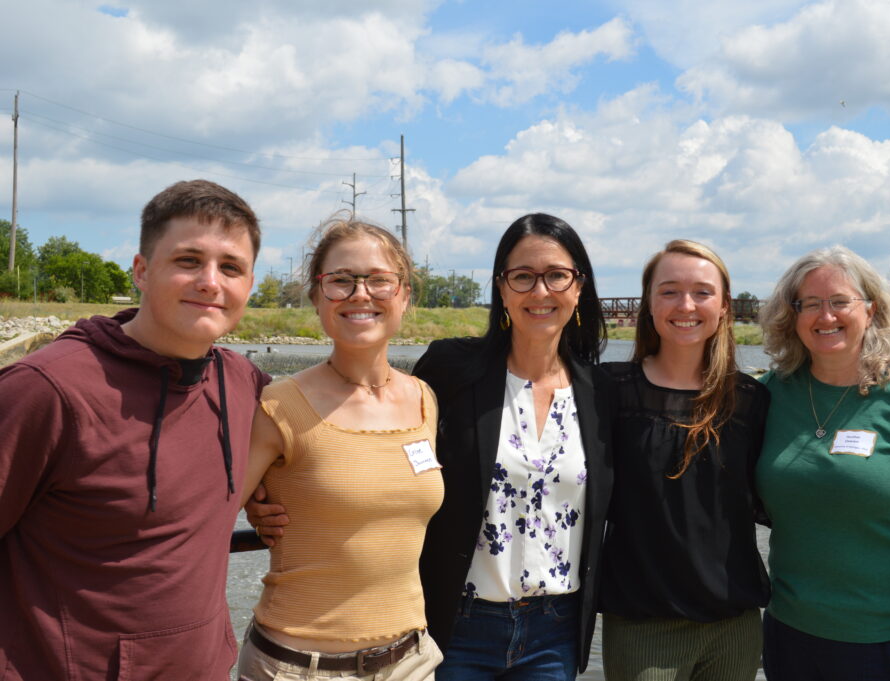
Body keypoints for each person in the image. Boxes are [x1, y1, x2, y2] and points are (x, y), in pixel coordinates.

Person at [248, 212, 614, 679]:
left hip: (553, 633)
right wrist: (273, 492)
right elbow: (373, 443)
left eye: (557, 276)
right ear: (501, 288)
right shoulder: (450, 371)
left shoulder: (601, 392)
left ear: (579, 286)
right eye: (522, 277)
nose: (540, 291)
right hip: (458, 626)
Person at [0, 179, 270, 681]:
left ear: (249, 286)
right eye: (188, 260)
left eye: (231, 267)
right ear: (141, 271)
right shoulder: (46, 390)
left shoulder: (242, 382)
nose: (211, 282)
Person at [756, 246, 890, 681]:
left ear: (870, 309)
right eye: (811, 304)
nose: (826, 316)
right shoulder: (768, 395)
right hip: (791, 638)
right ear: (792, 314)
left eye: (840, 301)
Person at [235, 218, 445, 681]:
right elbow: (206, 522)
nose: (360, 293)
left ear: (405, 295)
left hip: (411, 663)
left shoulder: (424, 399)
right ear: (316, 297)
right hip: (296, 669)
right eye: (341, 281)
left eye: (379, 279)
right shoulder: (278, 406)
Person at [599, 240, 770, 681]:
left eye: (702, 292)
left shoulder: (751, 400)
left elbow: (779, 492)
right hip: (643, 627)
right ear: (649, 305)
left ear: (725, 306)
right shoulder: (608, 391)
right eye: (669, 291)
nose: (686, 305)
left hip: (734, 624)